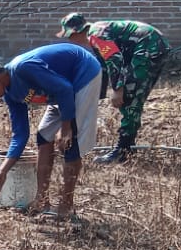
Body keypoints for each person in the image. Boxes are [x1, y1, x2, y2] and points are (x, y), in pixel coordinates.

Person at [0, 41, 104, 221]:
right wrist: (2, 171)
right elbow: (20, 135)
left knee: (70, 142)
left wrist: (66, 127)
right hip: (60, 92)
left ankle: (66, 206)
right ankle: (41, 200)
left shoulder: (23, 69)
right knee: (44, 136)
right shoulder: (10, 95)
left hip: (82, 73)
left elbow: (65, 88)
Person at [57, 12, 169, 163]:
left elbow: (114, 59)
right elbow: (103, 68)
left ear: (76, 32)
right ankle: (127, 148)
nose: (70, 40)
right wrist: (96, 95)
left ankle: (122, 151)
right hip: (151, 45)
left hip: (148, 45)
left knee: (130, 97)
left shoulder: (96, 36)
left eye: (69, 36)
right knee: (132, 95)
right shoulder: (96, 34)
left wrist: (118, 89)